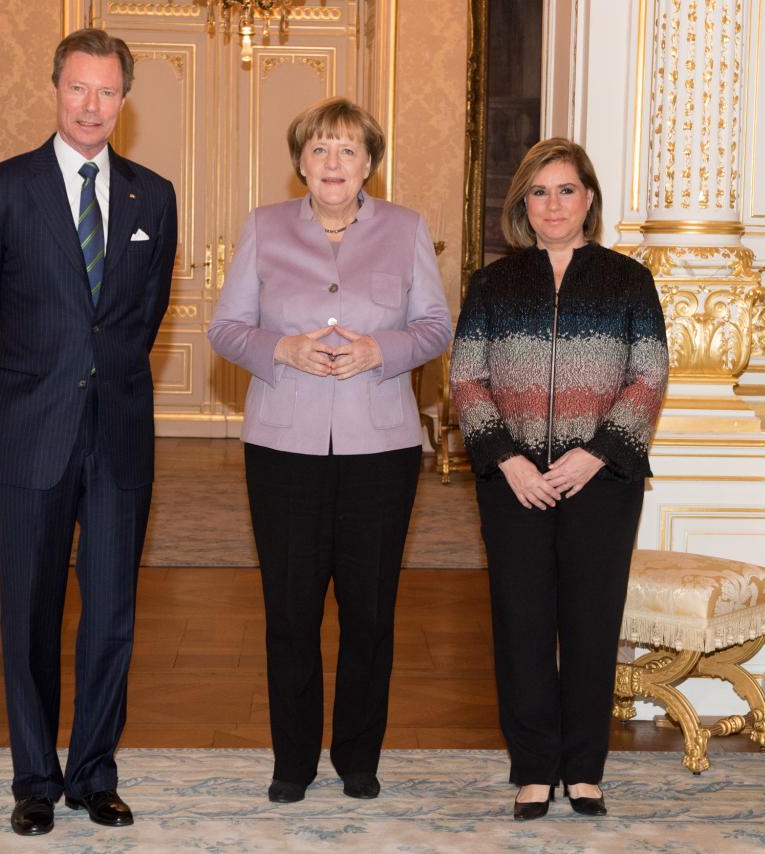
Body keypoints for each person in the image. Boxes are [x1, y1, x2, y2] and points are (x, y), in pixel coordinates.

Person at [0, 28, 177, 837]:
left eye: (108, 92)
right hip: (31, 434)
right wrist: (11, 400)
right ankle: (35, 781)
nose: (92, 106)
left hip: (117, 434)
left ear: (125, 100)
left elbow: (141, 318)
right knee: (34, 615)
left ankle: (93, 774)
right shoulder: (0, 189)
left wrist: (99, 378)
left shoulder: (155, 196)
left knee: (112, 613)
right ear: (57, 90)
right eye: (79, 88)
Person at [208, 97, 451, 804]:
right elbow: (226, 330)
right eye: (319, 150)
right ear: (300, 164)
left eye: (347, 150)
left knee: (370, 611)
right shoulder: (264, 227)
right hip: (283, 446)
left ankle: (358, 758)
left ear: (370, 162)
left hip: (382, 448)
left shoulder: (406, 230)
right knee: (290, 610)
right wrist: (280, 348)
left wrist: (385, 349)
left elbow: (436, 326)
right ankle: (293, 761)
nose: (333, 163)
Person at [450, 138, 667, 820]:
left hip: (601, 480)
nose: (553, 205)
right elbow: (465, 376)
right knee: (521, 621)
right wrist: (508, 459)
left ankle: (584, 768)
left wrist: (596, 452)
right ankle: (534, 768)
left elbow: (649, 373)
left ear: (589, 199)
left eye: (566, 190)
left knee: (591, 622)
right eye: (539, 193)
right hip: (511, 480)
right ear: (523, 205)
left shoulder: (628, 280)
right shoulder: (492, 283)